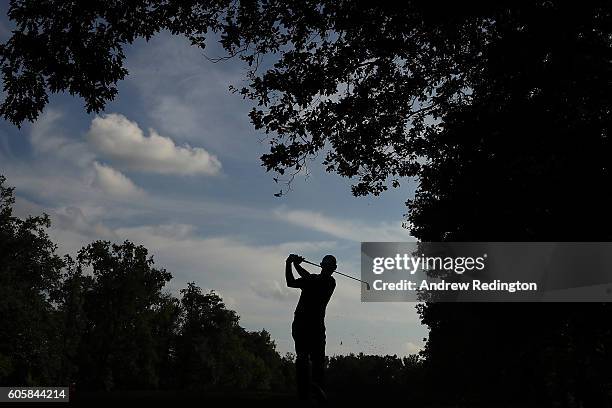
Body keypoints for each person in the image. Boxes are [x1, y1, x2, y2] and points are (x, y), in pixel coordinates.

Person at [285, 253, 337, 402]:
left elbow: (309, 278)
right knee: (302, 358)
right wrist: (290, 264)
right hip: (302, 323)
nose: (328, 268)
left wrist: (294, 263)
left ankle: (316, 391)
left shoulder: (329, 282)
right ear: (322, 265)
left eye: (330, 266)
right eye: (326, 265)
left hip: (316, 327)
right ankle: (304, 394)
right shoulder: (313, 279)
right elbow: (290, 282)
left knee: (318, 362)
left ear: (334, 268)